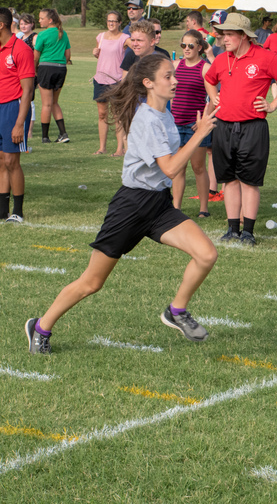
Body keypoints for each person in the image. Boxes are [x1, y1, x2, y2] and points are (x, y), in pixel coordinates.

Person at [24, 53, 218, 355]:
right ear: (148, 83)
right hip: (131, 206)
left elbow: (166, 168)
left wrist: (194, 134)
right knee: (92, 282)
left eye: (173, 74)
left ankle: (176, 311)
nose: (175, 80)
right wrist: (201, 135)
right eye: (168, 76)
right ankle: (40, 326)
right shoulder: (147, 119)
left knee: (206, 254)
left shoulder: (163, 113)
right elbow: (170, 168)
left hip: (159, 204)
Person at [204, 13, 277, 245]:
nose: (224, 39)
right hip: (224, 126)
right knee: (229, 180)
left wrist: (273, 104)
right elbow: (209, 78)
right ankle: (232, 228)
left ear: (243, 36)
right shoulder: (222, 58)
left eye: (229, 34)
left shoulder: (264, 57)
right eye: (223, 34)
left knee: (249, 181)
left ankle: (248, 232)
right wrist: (214, 96)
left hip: (253, 127)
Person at [0, 7, 35, 222]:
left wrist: (20, 123)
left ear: (1, 25)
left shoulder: (21, 50)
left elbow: (28, 90)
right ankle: (2, 211)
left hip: (14, 108)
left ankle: (17, 212)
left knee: (12, 161)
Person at [170, 29, 213, 217]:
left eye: (190, 46)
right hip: (175, 124)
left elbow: (213, 98)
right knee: (178, 167)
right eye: (183, 45)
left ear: (200, 47)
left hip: (195, 126)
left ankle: (204, 208)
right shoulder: (175, 65)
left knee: (198, 167)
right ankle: (175, 208)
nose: (186, 49)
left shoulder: (205, 67)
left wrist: (203, 120)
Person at [92, 10, 129, 155]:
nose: (111, 23)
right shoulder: (100, 36)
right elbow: (101, 55)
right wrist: (95, 53)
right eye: (109, 21)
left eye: (114, 21)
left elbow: (134, 52)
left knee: (117, 114)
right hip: (100, 79)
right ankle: (102, 147)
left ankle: (120, 148)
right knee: (102, 114)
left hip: (116, 80)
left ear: (120, 22)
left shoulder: (125, 38)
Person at [33, 8, 71, 144]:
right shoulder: (63, 33)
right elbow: (68, 56)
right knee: (54, 102)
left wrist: (35, 70)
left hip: (46, 68)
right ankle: (63, 133)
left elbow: (35, 56)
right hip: (61, 69)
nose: (39, 20)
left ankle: (45, 137)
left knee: (46, 104)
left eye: (41, 18)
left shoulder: (42, 35)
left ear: (49, 20)